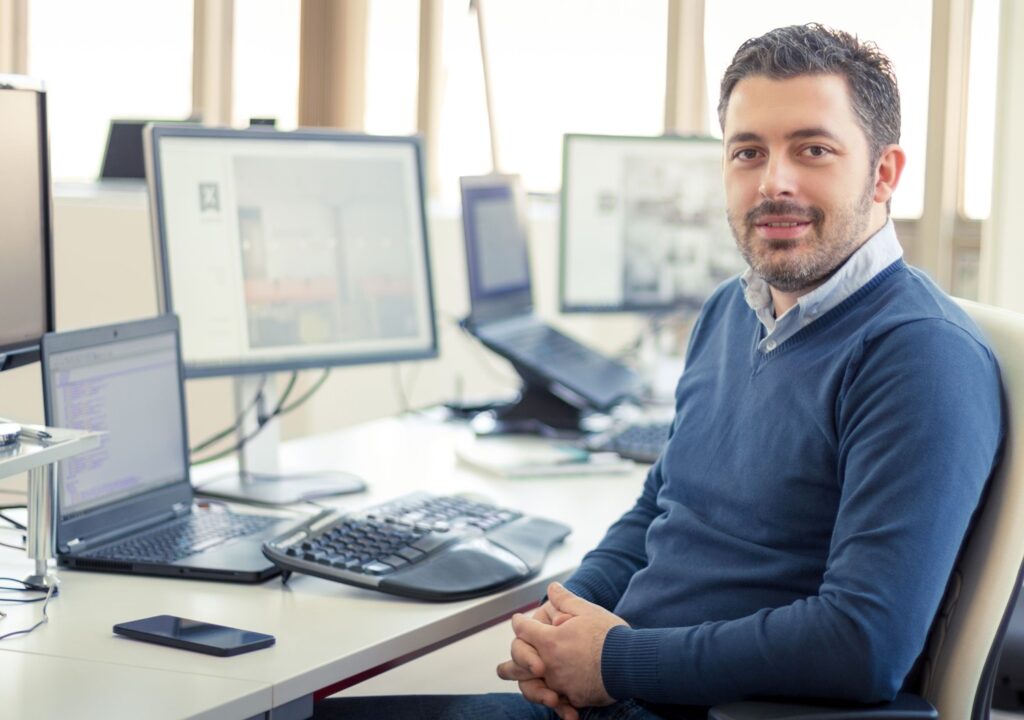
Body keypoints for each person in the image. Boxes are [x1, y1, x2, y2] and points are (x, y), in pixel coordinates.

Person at [315, 23, 1005, 720]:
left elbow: (865, 643)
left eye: (813, 149)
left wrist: (612, 663)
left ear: (884, 172)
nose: (774, 182)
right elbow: (659, 509)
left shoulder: (919, 356)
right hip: (629, 695)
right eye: (748, 152)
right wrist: (563, 621)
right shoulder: (730, 313)